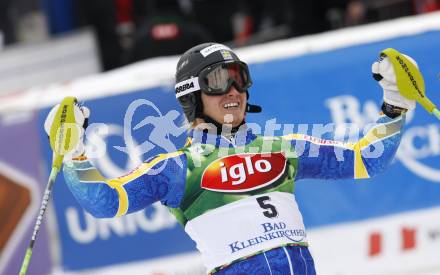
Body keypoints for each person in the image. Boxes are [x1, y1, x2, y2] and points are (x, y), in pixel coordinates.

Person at [45, 42, 416, 274]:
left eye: (240, 78)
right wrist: (75, 152)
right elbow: (105, 203)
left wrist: (395, 107)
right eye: (219, 80)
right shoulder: (176, 168)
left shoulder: (282, 147)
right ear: (192, 95)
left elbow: (368, 160)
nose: (234, 90)